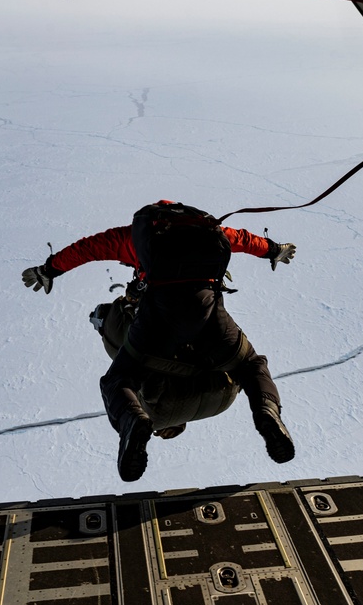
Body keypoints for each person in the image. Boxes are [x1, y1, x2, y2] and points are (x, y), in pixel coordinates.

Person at [23, 201, 297, 481]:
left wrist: (50, 270)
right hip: (208, 309)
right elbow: (243, 239)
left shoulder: (131, 237)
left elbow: (86, 249)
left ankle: (133, 420)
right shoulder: (207, 230)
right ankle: (267, 410)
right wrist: (274, 250)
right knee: (251, 365)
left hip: (159, 316)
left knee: (118, 380)